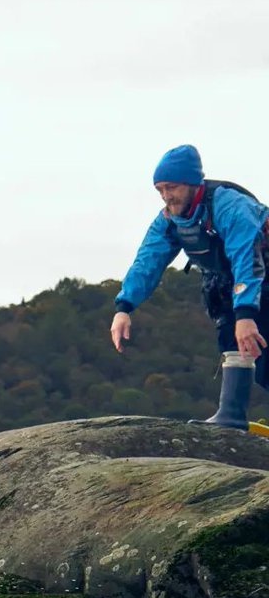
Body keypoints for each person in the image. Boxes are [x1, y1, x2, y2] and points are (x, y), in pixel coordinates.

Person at [111, 144, 269, 429]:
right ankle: (231, 416)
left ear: (193, 183)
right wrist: (124, 307)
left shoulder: (231, 207)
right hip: (224, 282)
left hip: (261, 276)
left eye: (171, 187)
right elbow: (147, 260)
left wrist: (246, 315)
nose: (166, 196)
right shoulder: (171, 219)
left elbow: (247, 256)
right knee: (234, 344)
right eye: (160, 189)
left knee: (266, 357)